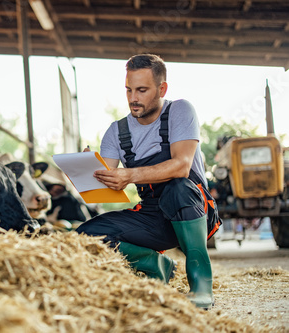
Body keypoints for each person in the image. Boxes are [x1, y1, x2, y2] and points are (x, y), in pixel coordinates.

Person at [76, 54, 222, 310]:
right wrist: (90, 170)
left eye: (142, 90)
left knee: (178, 188)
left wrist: (129, 175)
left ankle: (201, 284)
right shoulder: (117, 131)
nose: (133, 98)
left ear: (161, 88)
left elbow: (181, 166)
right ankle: (155, 265)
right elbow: (106, 182)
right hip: (154, 215)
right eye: (129, 90)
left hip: (194, 207)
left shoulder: (180, 110)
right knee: (86, 235)